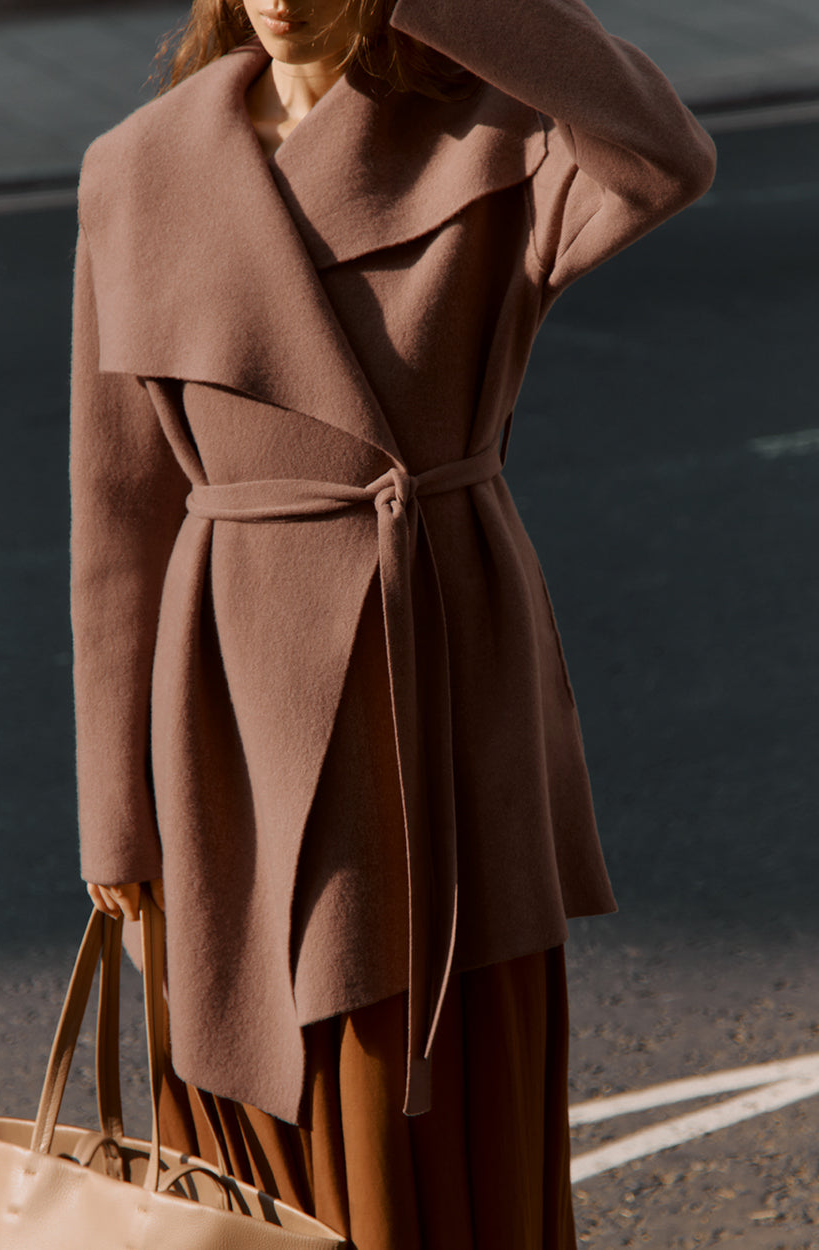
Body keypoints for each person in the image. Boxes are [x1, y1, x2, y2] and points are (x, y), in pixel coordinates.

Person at [72, 0, 716, 1241]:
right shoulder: (140, 167)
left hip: (441, 673)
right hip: (232, 704)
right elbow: (118, 517)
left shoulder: (492, 131)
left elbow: (666, 154)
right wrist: (117, 812)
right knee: (258, 1130)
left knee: (434, 1102)